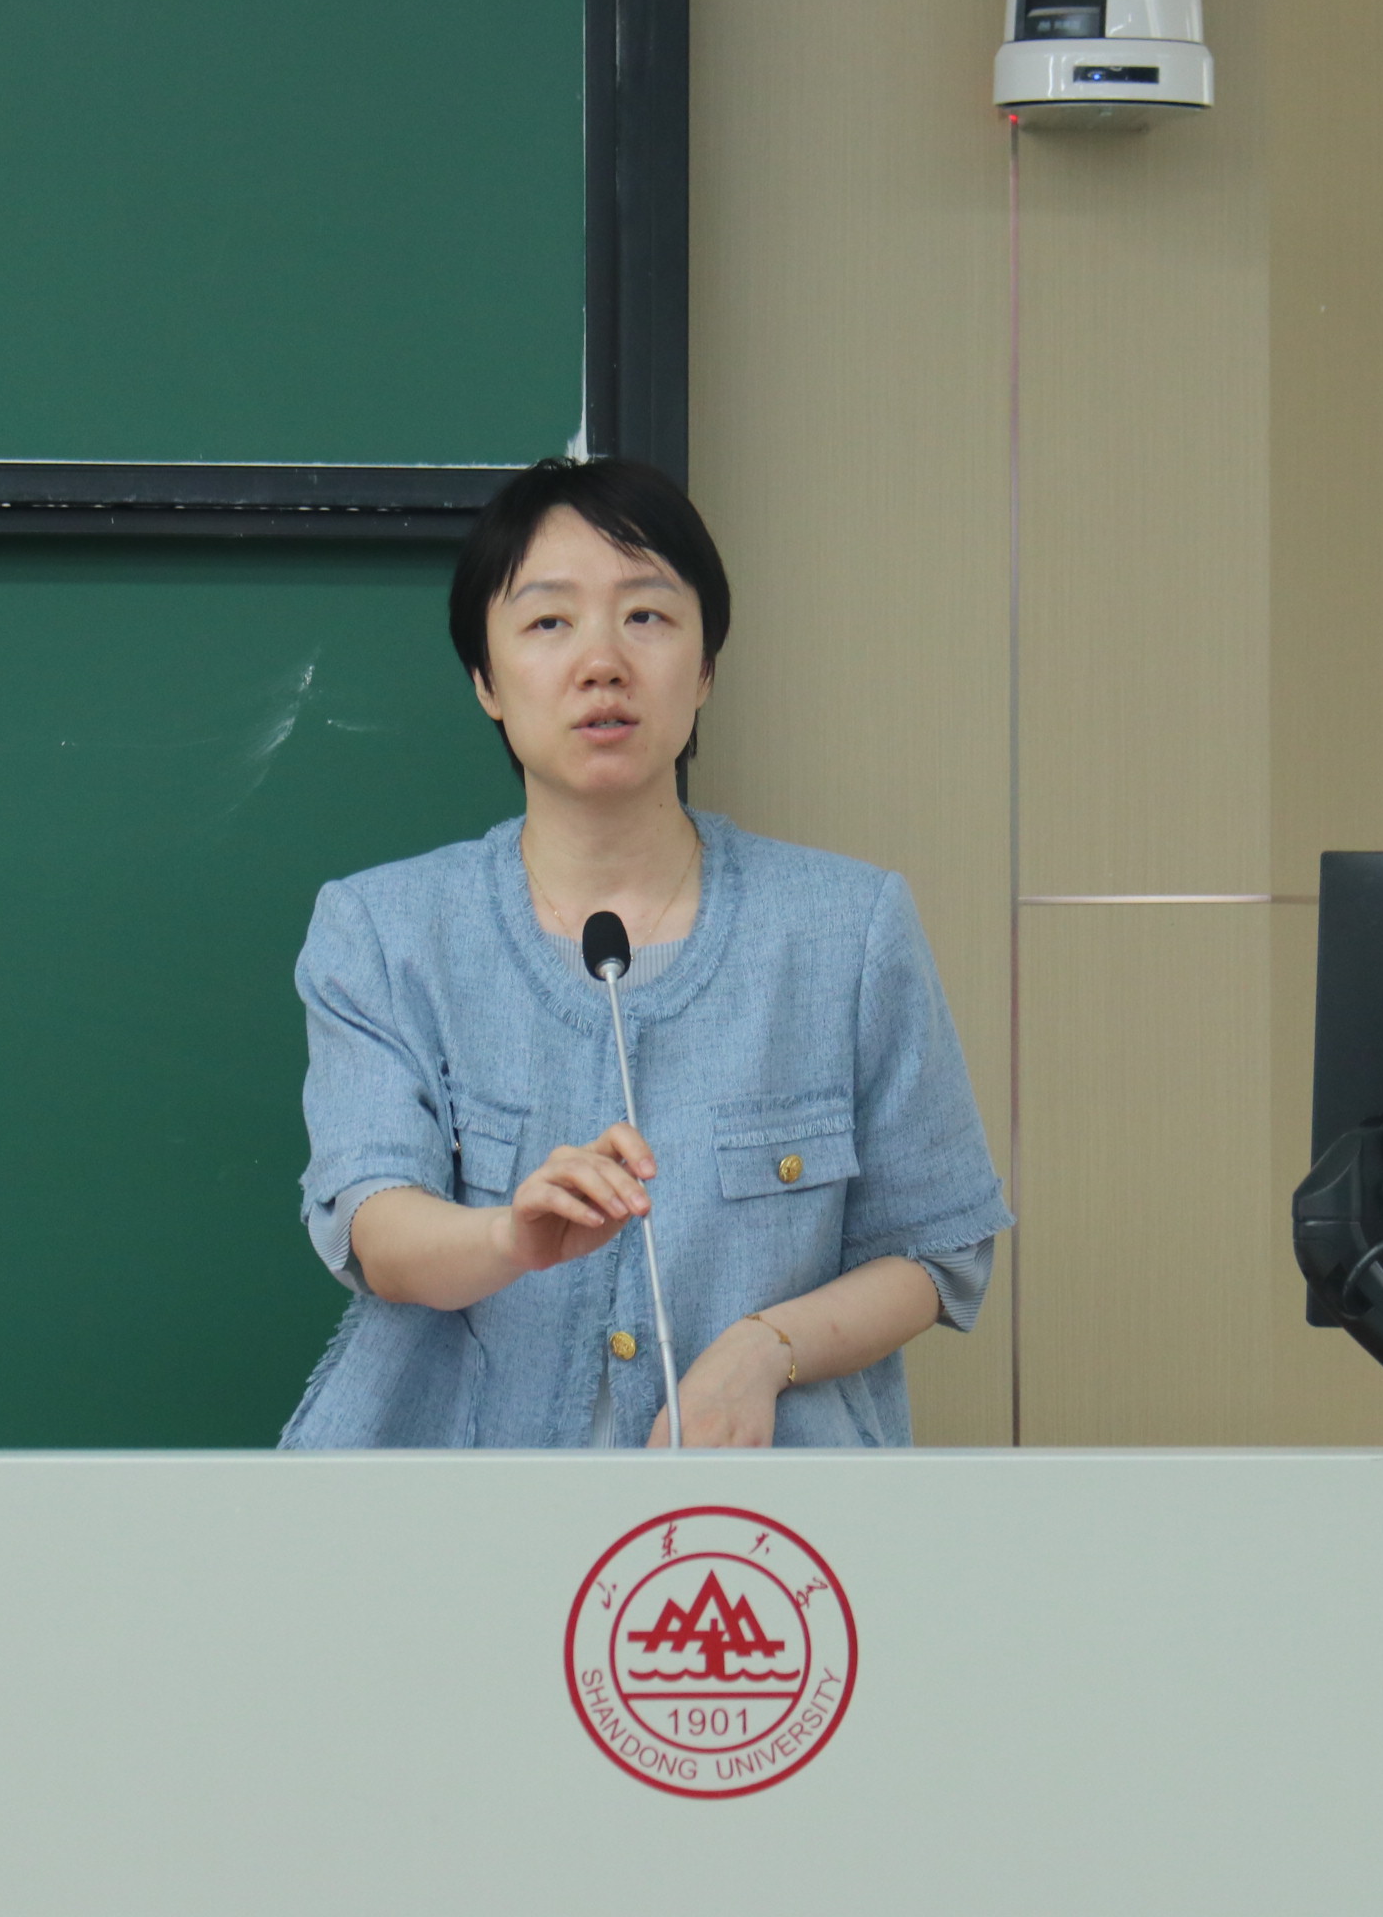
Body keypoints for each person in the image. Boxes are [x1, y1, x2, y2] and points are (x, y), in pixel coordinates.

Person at [280, 458, 1009, 1448]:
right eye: (549, 622)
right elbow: (377, 1230)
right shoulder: (384, 930)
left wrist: (764, 1350)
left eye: (647, 616)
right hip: (459, 1511)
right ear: (486, 679)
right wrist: (510, 1236)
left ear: (704, 668)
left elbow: (938, 1247)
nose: (602, 662)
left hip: (751, 1524)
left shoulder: (848, 926)